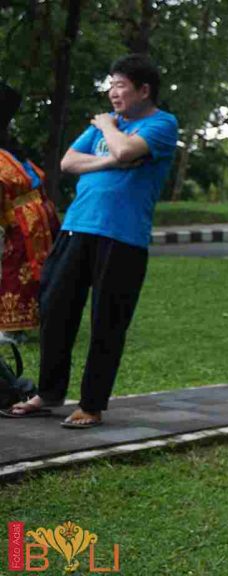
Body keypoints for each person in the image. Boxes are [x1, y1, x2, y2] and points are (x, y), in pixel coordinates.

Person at [1, 54, 178, 428]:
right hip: (77, 227)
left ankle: (92, 404)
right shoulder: (107, 127)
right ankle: (49, 393)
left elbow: (128, 150)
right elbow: (67, 162)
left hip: (122, 236)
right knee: (55, 308)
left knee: (107, 320)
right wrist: (110, 159)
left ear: (144, 90)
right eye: (111, 85)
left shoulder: (161, 124)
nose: (113, 93)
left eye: (121, 86)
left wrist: (109, 130)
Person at [0, 83, 60, 343]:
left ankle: (16, 327)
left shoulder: (9, 148)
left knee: (26, 273)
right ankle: (12, 327)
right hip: (22, 218)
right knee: (18, 272)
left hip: (29, 220)